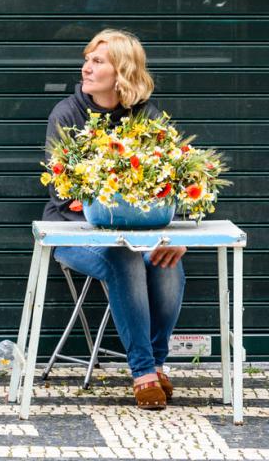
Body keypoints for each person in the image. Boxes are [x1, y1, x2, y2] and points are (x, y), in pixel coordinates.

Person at [43, 29, 185, 410]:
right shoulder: (67, 115)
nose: (86, 67)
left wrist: (173, 229)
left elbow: (172, 181)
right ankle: (142, 373)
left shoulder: (148, 117)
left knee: (168, 259)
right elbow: (66, 197)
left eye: (97, 61)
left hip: (138, 233)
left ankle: (156, 362)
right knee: (123, 256)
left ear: (121, 72)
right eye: (88, 58)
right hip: (74, 234)